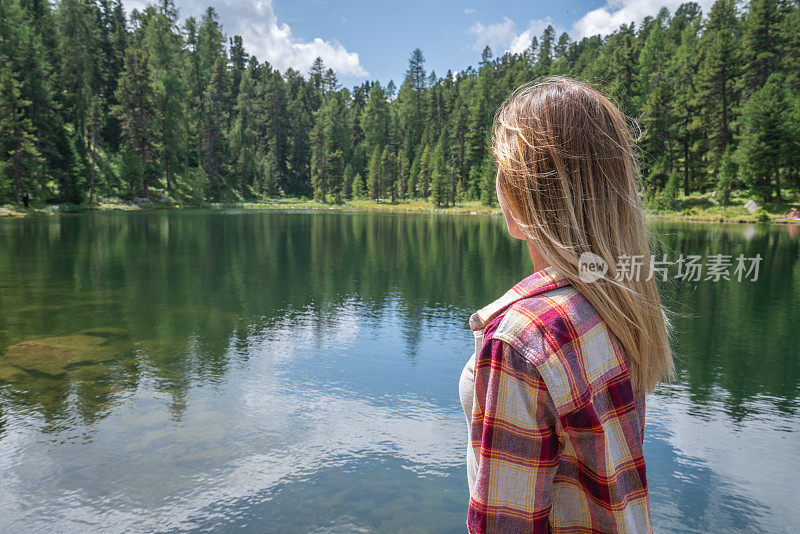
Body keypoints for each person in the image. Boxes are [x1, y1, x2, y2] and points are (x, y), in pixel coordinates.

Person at [459, 77, 674, 533]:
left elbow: (505, 525)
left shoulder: (522, 339)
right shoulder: (621, 304)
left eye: (500, 170)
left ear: (519, 194)